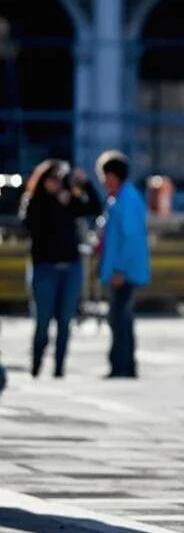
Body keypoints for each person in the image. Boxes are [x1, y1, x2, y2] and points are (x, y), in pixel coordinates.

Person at [18, 160, 103, 378]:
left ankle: (59, 368)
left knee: (65, 320)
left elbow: (95, 207)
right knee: (43, 320)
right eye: (52, 179)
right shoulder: (35, 201)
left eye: (59, 178)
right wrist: (53, 202)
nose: (56, 183)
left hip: (70, 267)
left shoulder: (69, 199)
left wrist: (84, 184)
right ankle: (36, 365)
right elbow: (28, 224)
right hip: (44, 267)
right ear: (44, 180)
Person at [96, 151, 151, 379]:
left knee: (119, 318)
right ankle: (124, 365)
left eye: (105, 176)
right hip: (122, 269)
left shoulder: (127, 200)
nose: (102, 181)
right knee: (121, 318)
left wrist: (121, 270)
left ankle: (122, 366)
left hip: (124, 271)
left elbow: (130, 239)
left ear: (114, 176)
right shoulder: (120, 199)